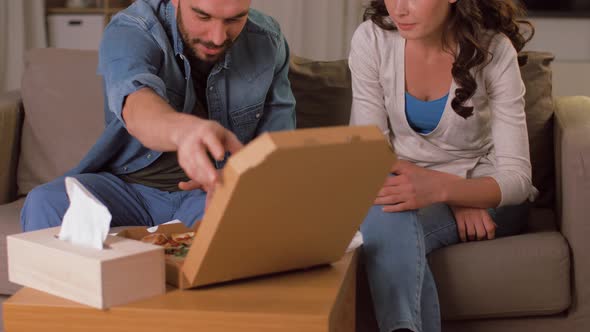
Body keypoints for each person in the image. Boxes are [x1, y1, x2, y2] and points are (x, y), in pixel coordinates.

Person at [21, 0, 295, 232]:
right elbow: (137, 104)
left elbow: (277, 145)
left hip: (210, 191)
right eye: (203, 16)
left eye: (235, 19)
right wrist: (183, 132)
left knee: (248, 224)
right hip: (128, 187)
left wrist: (238, 180)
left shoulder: (267, 41)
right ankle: (52, 296)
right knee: (44, 201)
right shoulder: (132, 28)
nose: (217, 37)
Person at [349, 0, 536, 331]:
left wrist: (450, 191)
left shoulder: (494, 50)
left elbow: (517, 179)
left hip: (488, 192)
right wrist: (445, 195)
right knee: (386, 212)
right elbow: (368, 153)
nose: (399, 9)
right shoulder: (372, 40)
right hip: (408, 189)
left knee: (385, 228)